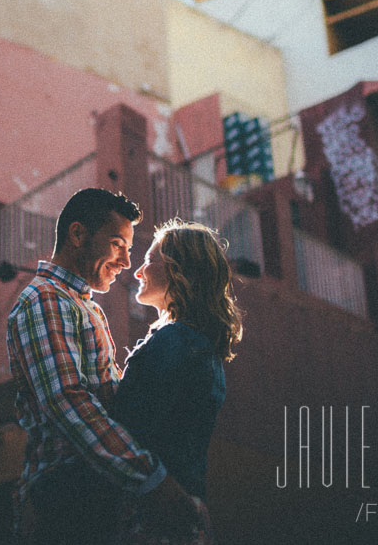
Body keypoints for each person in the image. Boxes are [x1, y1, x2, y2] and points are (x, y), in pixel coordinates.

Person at [6, 188, 199, 545]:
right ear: (77, 234)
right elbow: (67, 401)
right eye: (117, 244)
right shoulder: (45, 299)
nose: (127, 262)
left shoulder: (85, 307)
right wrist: (151, 478)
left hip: (90, 494)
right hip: (64, 499)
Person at [110, 219, 244, 544]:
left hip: (153, 517)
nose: (138, 272)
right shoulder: (202, 348)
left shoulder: (175, 342)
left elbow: (129, 429)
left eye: (149, 261)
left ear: (178, 270)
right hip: (186, 511)